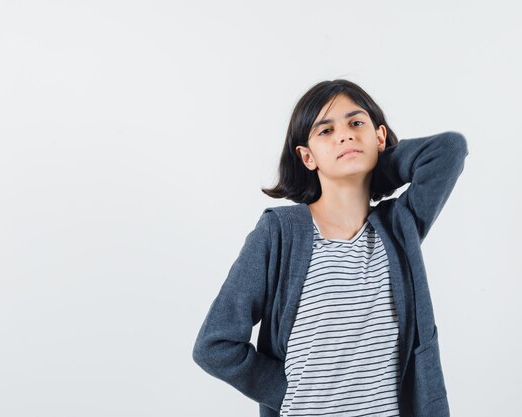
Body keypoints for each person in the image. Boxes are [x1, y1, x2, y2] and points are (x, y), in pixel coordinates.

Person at [192, 79, 469, 417]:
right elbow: (215, 346)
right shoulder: (280, 233)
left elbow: (449, 150)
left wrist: (374, 163)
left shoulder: (400, 226)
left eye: (356, 123)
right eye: (325, 131)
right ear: (307, 157)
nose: (344, 134)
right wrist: (287, 390)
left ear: (379, 136)